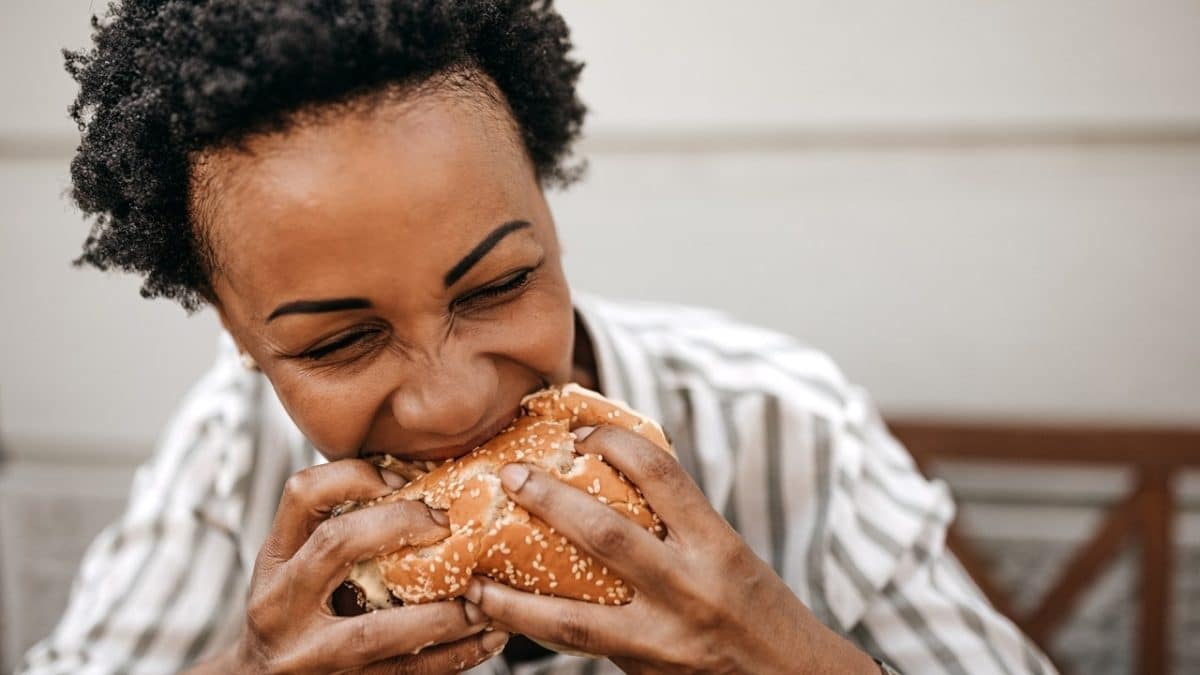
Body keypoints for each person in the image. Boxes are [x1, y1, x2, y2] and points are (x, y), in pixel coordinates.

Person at [20, 1, 1056, 673]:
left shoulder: (782, 423)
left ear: (552, 221)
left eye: (501, 284)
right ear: (240, 335)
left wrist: (793, 661)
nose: (452, 401)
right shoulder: (232, 449)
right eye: (341, 342)